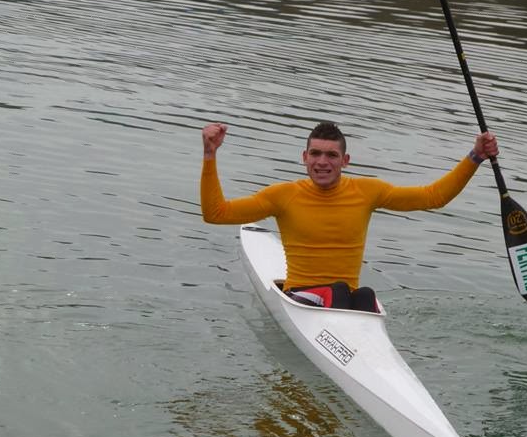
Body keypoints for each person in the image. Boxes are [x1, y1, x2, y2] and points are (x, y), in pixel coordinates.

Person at [200, 120, 498, 311]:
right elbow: (216, 213)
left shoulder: (367, 191)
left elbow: (434, 197)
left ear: (345, 161)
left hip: (350, 306)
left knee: (364, 295)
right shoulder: (282, 195)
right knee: (340, 292)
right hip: (300, 300)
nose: (322, 162)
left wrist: (475, 157)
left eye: (331, 155)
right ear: (304, 158)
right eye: (315, 154)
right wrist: (210, 154)